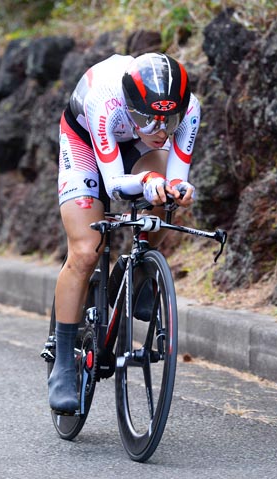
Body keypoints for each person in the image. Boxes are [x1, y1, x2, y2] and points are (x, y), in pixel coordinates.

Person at [49, 52, 201, 413]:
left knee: (164, 200)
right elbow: (116, 186)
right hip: (86, 142)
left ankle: (133, 270)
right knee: (86, 249)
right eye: (149, 119)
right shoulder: (107, 99)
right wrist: (147, 180)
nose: (161, 131)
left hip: (134, 148)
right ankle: (63, 365)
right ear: (132, 105)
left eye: (169, 120)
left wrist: (178, 188)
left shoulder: (190, 109)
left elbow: (177, 174)